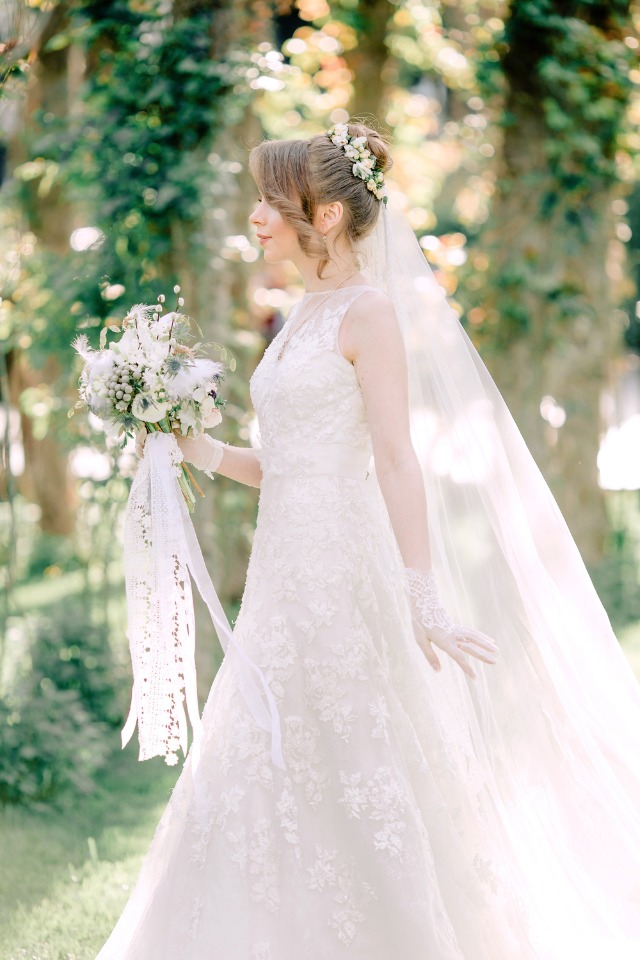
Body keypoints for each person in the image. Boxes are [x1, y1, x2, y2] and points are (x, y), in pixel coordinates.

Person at [97, 123, 640, 960]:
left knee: (360, 749)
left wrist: (422, 596)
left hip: (344, 571)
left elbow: (394, 458)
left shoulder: (370, 312)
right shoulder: (303, 313)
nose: (258, 219)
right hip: (283, 571)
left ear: (328, 216)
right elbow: (281, 465)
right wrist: (184, 443)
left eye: (273, 204)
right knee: (262, 744)